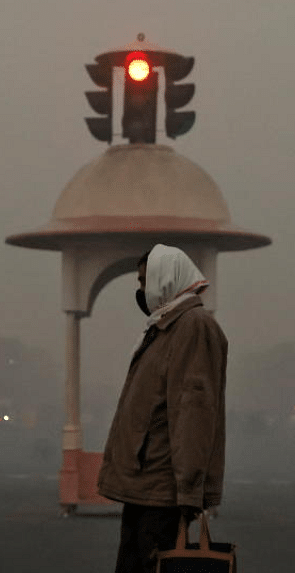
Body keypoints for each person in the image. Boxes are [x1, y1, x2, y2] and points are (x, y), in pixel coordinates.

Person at [97, 244, 228, 573]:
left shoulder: (192, 328)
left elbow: (193, 413)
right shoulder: (164, 328)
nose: (140, 291)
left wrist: (189, 492)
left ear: (166, 280)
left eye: (145, 281)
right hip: (147, 485)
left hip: (164, 489)